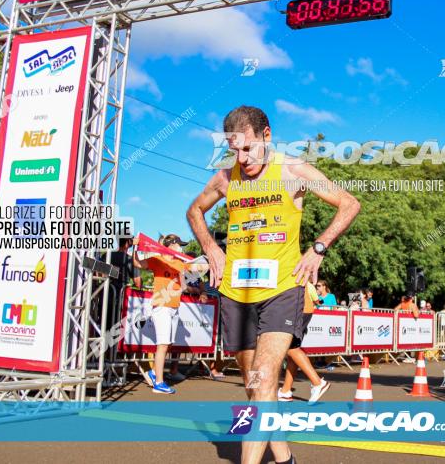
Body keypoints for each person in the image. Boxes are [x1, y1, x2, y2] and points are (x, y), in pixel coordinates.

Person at [186, 105, 360, 464]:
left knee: (265, 380)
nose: (243, 158)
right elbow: (194, 211)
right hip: (236, 294)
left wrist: (318, 248)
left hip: (282, 289)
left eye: (249, 148)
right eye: (234, 150)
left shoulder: (293, 170)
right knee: (256, 389)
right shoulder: (225, 179)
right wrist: (210, 248)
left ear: (267, 136)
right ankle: (285, 460)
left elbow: (348, 204)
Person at [136, 234, 192, 394]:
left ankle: (154, 373)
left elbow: (186, 282)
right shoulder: (158, 259)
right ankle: (159, 383)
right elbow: (138, 263)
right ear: (171, 244)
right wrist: (135, 248)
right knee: (162, 344)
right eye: (179, 244)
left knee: (168, 343)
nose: (181, 247)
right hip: (161, 306)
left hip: (174, 306)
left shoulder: (179, 262)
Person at [278, 282, 330, 404]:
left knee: (290, 348)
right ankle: (285, 391)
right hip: (301, 307)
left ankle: (317, 382)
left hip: (297, 307)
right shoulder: (308, 283)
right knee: (292, 349)